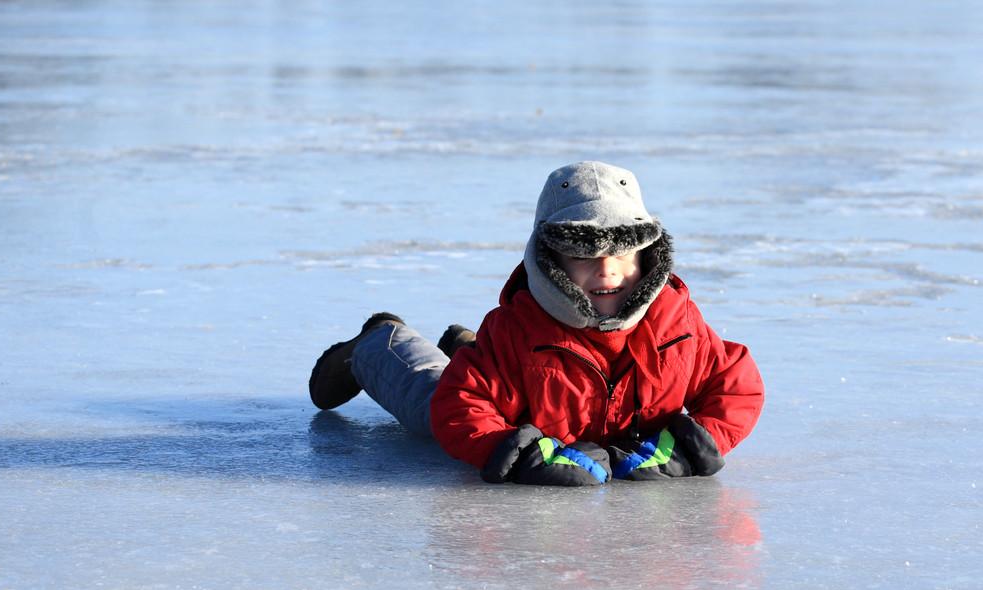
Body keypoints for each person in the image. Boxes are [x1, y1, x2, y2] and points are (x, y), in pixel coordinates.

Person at [308, 161, 764, 486]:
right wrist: (519, 453)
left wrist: (688, 447)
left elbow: (736, 386)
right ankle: (379, 343)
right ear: (551, 261)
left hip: (543, 395)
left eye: (622, 254)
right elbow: (460, 405)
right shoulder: (518, 331)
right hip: (519, 411)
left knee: (488, 371)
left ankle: (467, 347)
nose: (607, 271)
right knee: (432, 405)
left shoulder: (676, 322)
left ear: (647, 256)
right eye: (584, 255)